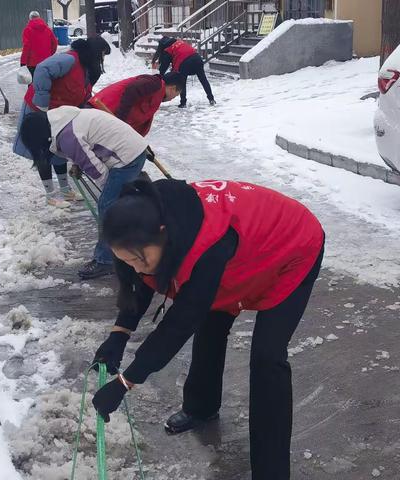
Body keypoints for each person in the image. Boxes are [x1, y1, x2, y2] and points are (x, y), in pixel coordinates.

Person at [91, 178, 325, 480]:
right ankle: (201, 407)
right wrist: (118, 335)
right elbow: (141, 284)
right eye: (126, 260)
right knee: (210, 320)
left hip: (291, 245)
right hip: (242, 249)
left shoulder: (206, 244)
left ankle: (272, 472)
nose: (135, 267)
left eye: (140, 258)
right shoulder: (144, 222)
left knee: (268, 357)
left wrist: (125, 382)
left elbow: (178, 324)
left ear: (163, 235)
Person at [20, 106, 149, 279]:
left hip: (126, 157)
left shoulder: (67, 136)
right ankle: (137, 232)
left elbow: (96, 169)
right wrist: (76, 163)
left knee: (107, 206)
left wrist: (108, 193)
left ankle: (106, 261)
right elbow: (82, 145)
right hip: (128, 149)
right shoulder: (60, 121)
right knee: (115, 201)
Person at [13, 37, 111, 207]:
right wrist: (42, 103)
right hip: (39, 111)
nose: (102, 59)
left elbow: (82, 97)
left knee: (59, 152)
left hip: (58, 116)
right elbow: (43, 69)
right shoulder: (70, 59)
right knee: (43, 151)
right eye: (102, 54)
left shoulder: (86, 71)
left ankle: (65, 190)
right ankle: (50, 194)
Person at [89, 72, 184, 136]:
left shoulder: (156, 96)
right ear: (173, 88)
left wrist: (140, 144)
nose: (172, 99)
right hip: (99, 112)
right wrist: (119, 120)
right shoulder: (155, 83)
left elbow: (140, 123)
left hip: (106, 121)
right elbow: (132, 90)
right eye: (176, 95)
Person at [152, 36, 215, 108]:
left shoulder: (168, 49)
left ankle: (183, 103)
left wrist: (157, 78)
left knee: (182, 81)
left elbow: (163, 68)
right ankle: (211, 99)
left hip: (185, 62)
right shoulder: (179, 42)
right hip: (197, 58)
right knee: (203, 80)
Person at [20, 11, 58, 78]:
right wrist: (50, 54)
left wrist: (23, 61)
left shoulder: (27, 30)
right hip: (46, 61)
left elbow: (26, 46)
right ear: (39, 18)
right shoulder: (47, 29)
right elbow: (54, 43)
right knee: (45, 82)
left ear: (30, 19)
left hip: (32, 63)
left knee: (33, 84)